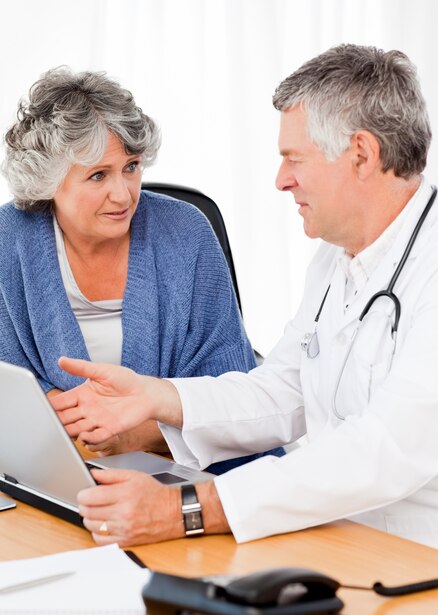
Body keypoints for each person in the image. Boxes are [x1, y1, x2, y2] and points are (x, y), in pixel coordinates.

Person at [52, 44, 438, 557]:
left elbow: (386, 451)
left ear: (362, 153)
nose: (281, 180)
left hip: (435, 564)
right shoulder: (336, 259)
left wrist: (185, 509)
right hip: (339, 543)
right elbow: (283, 391)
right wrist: (157, 397)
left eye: (294, 159)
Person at [0, 66, 283, 473]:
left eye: (131, 167)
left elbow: (230, 385)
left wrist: (137, 430)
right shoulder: (10, 237)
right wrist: (58, 423)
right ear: (47, 182)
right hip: (49, 464)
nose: (123, 194)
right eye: (98, 175)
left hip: (191, 467)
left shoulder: (186, 231)